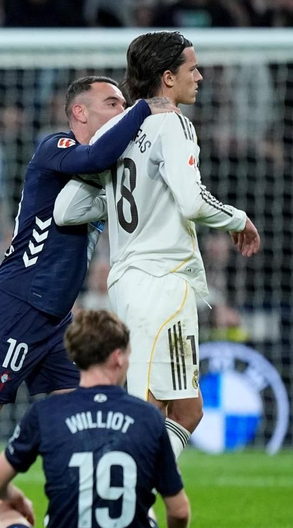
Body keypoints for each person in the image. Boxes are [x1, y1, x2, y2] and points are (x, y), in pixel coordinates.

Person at [0, 76, 172, 510]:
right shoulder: (57, 148)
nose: (122, 108)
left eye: (124, 102)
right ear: (80, 113)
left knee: (78, 418)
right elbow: (99, 152)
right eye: (112, 102)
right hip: (19, 302)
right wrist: (145, 107)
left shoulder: (107, 169)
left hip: (57, 317)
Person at [54, 32, 260, 460]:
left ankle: (140, 498)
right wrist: (238, 219)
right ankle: (119, 505)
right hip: (160, 284)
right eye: (191, 69)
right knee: (146, 411)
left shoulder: (116, 129)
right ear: (168, 78)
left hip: (134, 281)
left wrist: (114, 199)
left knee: (187, 411)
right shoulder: (173, 123)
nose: (200, 76)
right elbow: (191, 198)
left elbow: (66, 209)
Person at [0, 309, 190, 528]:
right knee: (147, 507)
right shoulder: (148, 417)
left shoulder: (45, 412)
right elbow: (179, 511)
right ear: (118, 357)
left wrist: (17, 499)